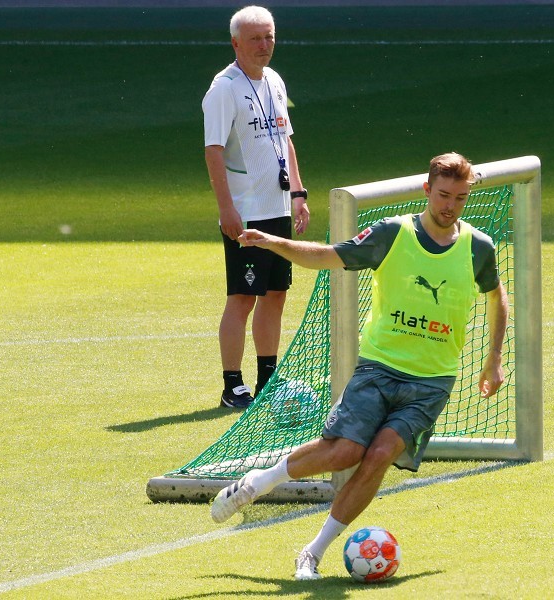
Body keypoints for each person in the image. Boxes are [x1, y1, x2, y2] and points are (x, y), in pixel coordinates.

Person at [210, 152, 510, 580]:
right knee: (346, 451)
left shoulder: (478, 246)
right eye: (443, 195)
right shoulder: (393, 234)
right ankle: (261, 480)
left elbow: (499, 298)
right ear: (427, 190)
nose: (450, 206)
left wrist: (494, 359)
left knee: (381, 455)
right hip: (379, 368)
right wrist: (275, 243)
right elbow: (329, 256)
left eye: (460, 198)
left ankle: (311, 553)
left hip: (432, 381)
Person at [203, 5, 310, 410]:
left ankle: (268, 380)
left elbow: (286, 140)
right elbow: (212, 150)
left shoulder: (276, 81)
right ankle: (233, 386)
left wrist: (297, 194)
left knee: (276, 294)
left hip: (278, 206)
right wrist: (226, 208)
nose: (265, 45)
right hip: (246, 211)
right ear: (235, 43)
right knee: (243, 297)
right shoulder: (223, 89)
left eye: (270, 36)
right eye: (255, 39)